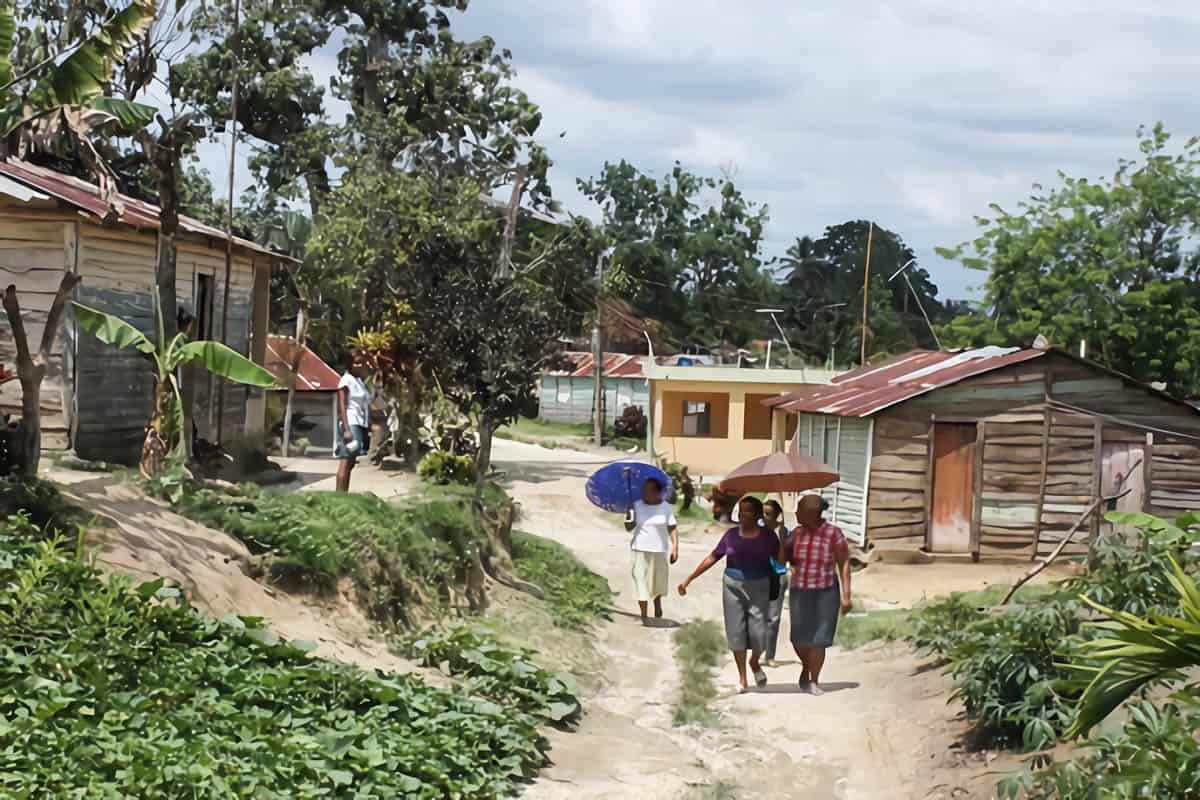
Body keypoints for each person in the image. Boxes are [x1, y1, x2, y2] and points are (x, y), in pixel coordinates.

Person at [678, 496, 780, 693]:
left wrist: (781, 536)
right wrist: (689, 579)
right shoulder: (731, 535)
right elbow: (713, 557)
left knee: (760, 635)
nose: (742, 514)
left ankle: (755, 662)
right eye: (741, 510)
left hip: (759, 587)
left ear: (758, 514)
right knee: (736, 633)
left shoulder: (768, 537)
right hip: (732, 586)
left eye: (748, 510)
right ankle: (742, 678)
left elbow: (781, 558)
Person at [782, 494, 852, 695]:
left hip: (826, 591)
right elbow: (782, 560)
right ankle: (806, 665)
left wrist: (846, 595)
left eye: (800, 510)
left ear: (812, 513)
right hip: (800, 591)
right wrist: (781, 540)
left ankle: (814, 680)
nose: (796, 513)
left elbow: (844, 563)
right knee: (798, 638)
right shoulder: (795, 534)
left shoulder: (833, 533)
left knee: (818, 639)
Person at [624, 477, 680, 624]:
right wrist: (630, 516)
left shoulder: (666, 508)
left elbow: (672, 528)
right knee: (640, 580)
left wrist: (675, 548)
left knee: (657, 583)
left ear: (657, 492)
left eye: (648, 490)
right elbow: (628, 527)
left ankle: (657, 606)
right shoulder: (636, 505)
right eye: (644, 490)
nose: (644, 493)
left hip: (659, 550)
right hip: (640, 549)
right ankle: (644, 615)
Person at [336, 349, 372, 492]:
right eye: (356, 362)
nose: (360, 365)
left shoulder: (359, 381)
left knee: (351, 461)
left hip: (359, 424)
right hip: (350, 423)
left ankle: (344, 493)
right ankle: (339, 496)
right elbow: (342, 406)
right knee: (345, 460)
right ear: (349, 364)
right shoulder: (345, 380)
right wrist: (347, 430)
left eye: (361, 362)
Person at [763, 499, 791, 667]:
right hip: (759, 576)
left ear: (776, 516)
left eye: (768, 514)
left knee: (773, 618)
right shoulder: (757, 530)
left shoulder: (784, 532)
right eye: (763, 513)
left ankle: (769, 656)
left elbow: (784, 557)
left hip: (778, 575)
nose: (764, 517)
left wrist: (780, 533)